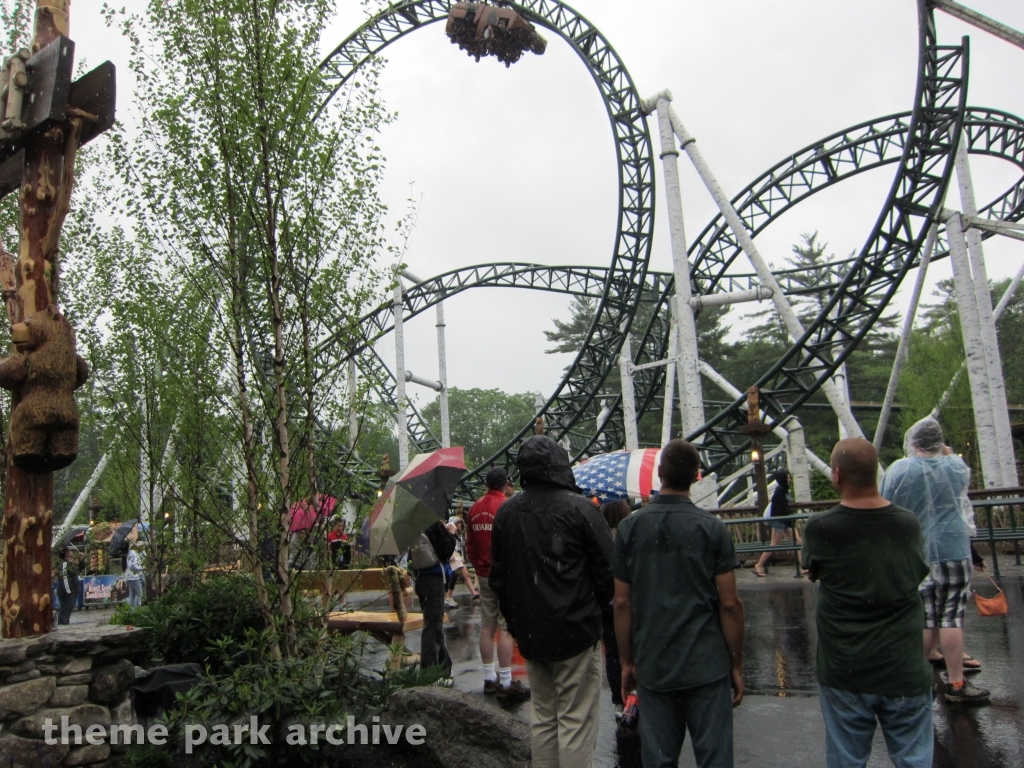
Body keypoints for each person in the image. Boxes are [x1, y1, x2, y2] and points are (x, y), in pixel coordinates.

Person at [802, 438, 934, 767]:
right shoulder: (907, 523)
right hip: (903, 667)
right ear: (875, 472)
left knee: (847, 760)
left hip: (845, 668)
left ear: (836, 474)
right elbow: (916, 572)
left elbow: (814, 571)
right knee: (914, 760)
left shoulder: (821, 527)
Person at [613, 440, 744, 768]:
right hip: (707, 663)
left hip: (654, 662)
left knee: (659, 760)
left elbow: (621, 604)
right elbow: (730, 605)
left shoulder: (630, 528)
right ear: (696, 475)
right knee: (715, 759)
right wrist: (735, 664)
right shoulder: (712, 528)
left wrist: (627, 663)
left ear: (660, 473)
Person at [491, 436, 613, 768]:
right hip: (576, 630)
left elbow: (499, 577)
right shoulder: (581, 508)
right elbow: (608, 572)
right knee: (575, 720)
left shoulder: (507, 513)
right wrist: (596, 613)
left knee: (544, 717)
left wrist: (516, 624)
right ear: (559, 464)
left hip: (532, 633)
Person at [880, 417, 990, 704]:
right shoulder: (955, 467)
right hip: (955, 548)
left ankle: (918, 681)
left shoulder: (900, 470)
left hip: (917, 552)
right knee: (952, 616)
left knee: (925, 617)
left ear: (912, 441)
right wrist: (942, 448)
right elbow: (949, 457)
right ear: (940, 442)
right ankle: (957, 682)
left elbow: (885, 504)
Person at [466, 466, 529, 700]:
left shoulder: (474, 508)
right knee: (505, 627)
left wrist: (479, 566)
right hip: (505, 573)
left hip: (484, 573)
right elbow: (517, 542)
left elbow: (469, 545)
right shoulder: (508, 506)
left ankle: (489, 677)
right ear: (504, 484)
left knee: (487, 625)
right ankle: (506, 680)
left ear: (485, 484)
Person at [409, 519, 458, 677]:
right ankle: (428, 673)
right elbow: (445, 550)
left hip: (421, 578)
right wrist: (451, 533)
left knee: (434, 623)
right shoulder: (429, 522)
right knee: (433, 625)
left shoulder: (414, 524)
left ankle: (444, 667)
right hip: (434, 578)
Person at [599, 499, 630, 720]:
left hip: (607, 603)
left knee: (612, 652)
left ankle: (618, 701)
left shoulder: (599, 536)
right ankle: (635, 696)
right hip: (629, 602)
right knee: (633, 650)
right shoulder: (630, 535)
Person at [752, 470, 802, 577]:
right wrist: (789, 517)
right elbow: (781, 508)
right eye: (787, 478)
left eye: (789, 477)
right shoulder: (780, 490)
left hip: (784, 521)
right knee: (775, 544)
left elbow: (783, 507)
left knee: (797, 542)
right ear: (783, 478)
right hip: (780, 522)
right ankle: (759, 564)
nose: (789, 480)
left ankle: (802, 567)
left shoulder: (783, 490)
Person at [444, 517, 479, 608]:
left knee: (464, 574)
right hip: (452, 555)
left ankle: (473, 593)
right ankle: (448, 597)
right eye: (458, 523)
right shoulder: (449, 533)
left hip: (458, 556)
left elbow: (462, 545)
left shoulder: (459, 535)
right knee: (453, 576)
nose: (459, 525)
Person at [55, 547, 80, 626]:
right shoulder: (64, 564)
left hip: (72, 592)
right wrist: (69, 591)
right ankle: (62, 625)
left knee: (68, 610)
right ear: (66, 554)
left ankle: (65, 624)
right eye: (70, 551)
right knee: (65, 610)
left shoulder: (70, 564)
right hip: (66, 593)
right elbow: (65, 579)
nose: (72, 552)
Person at [123, 541, 145, 609]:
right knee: (139, 593)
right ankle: (136, 609)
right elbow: (133, 565)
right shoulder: (133, 552)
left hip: (129, 577)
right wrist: (142, 568)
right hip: (134, 577)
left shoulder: (129, 553)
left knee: (132, 594)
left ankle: (131, 610)